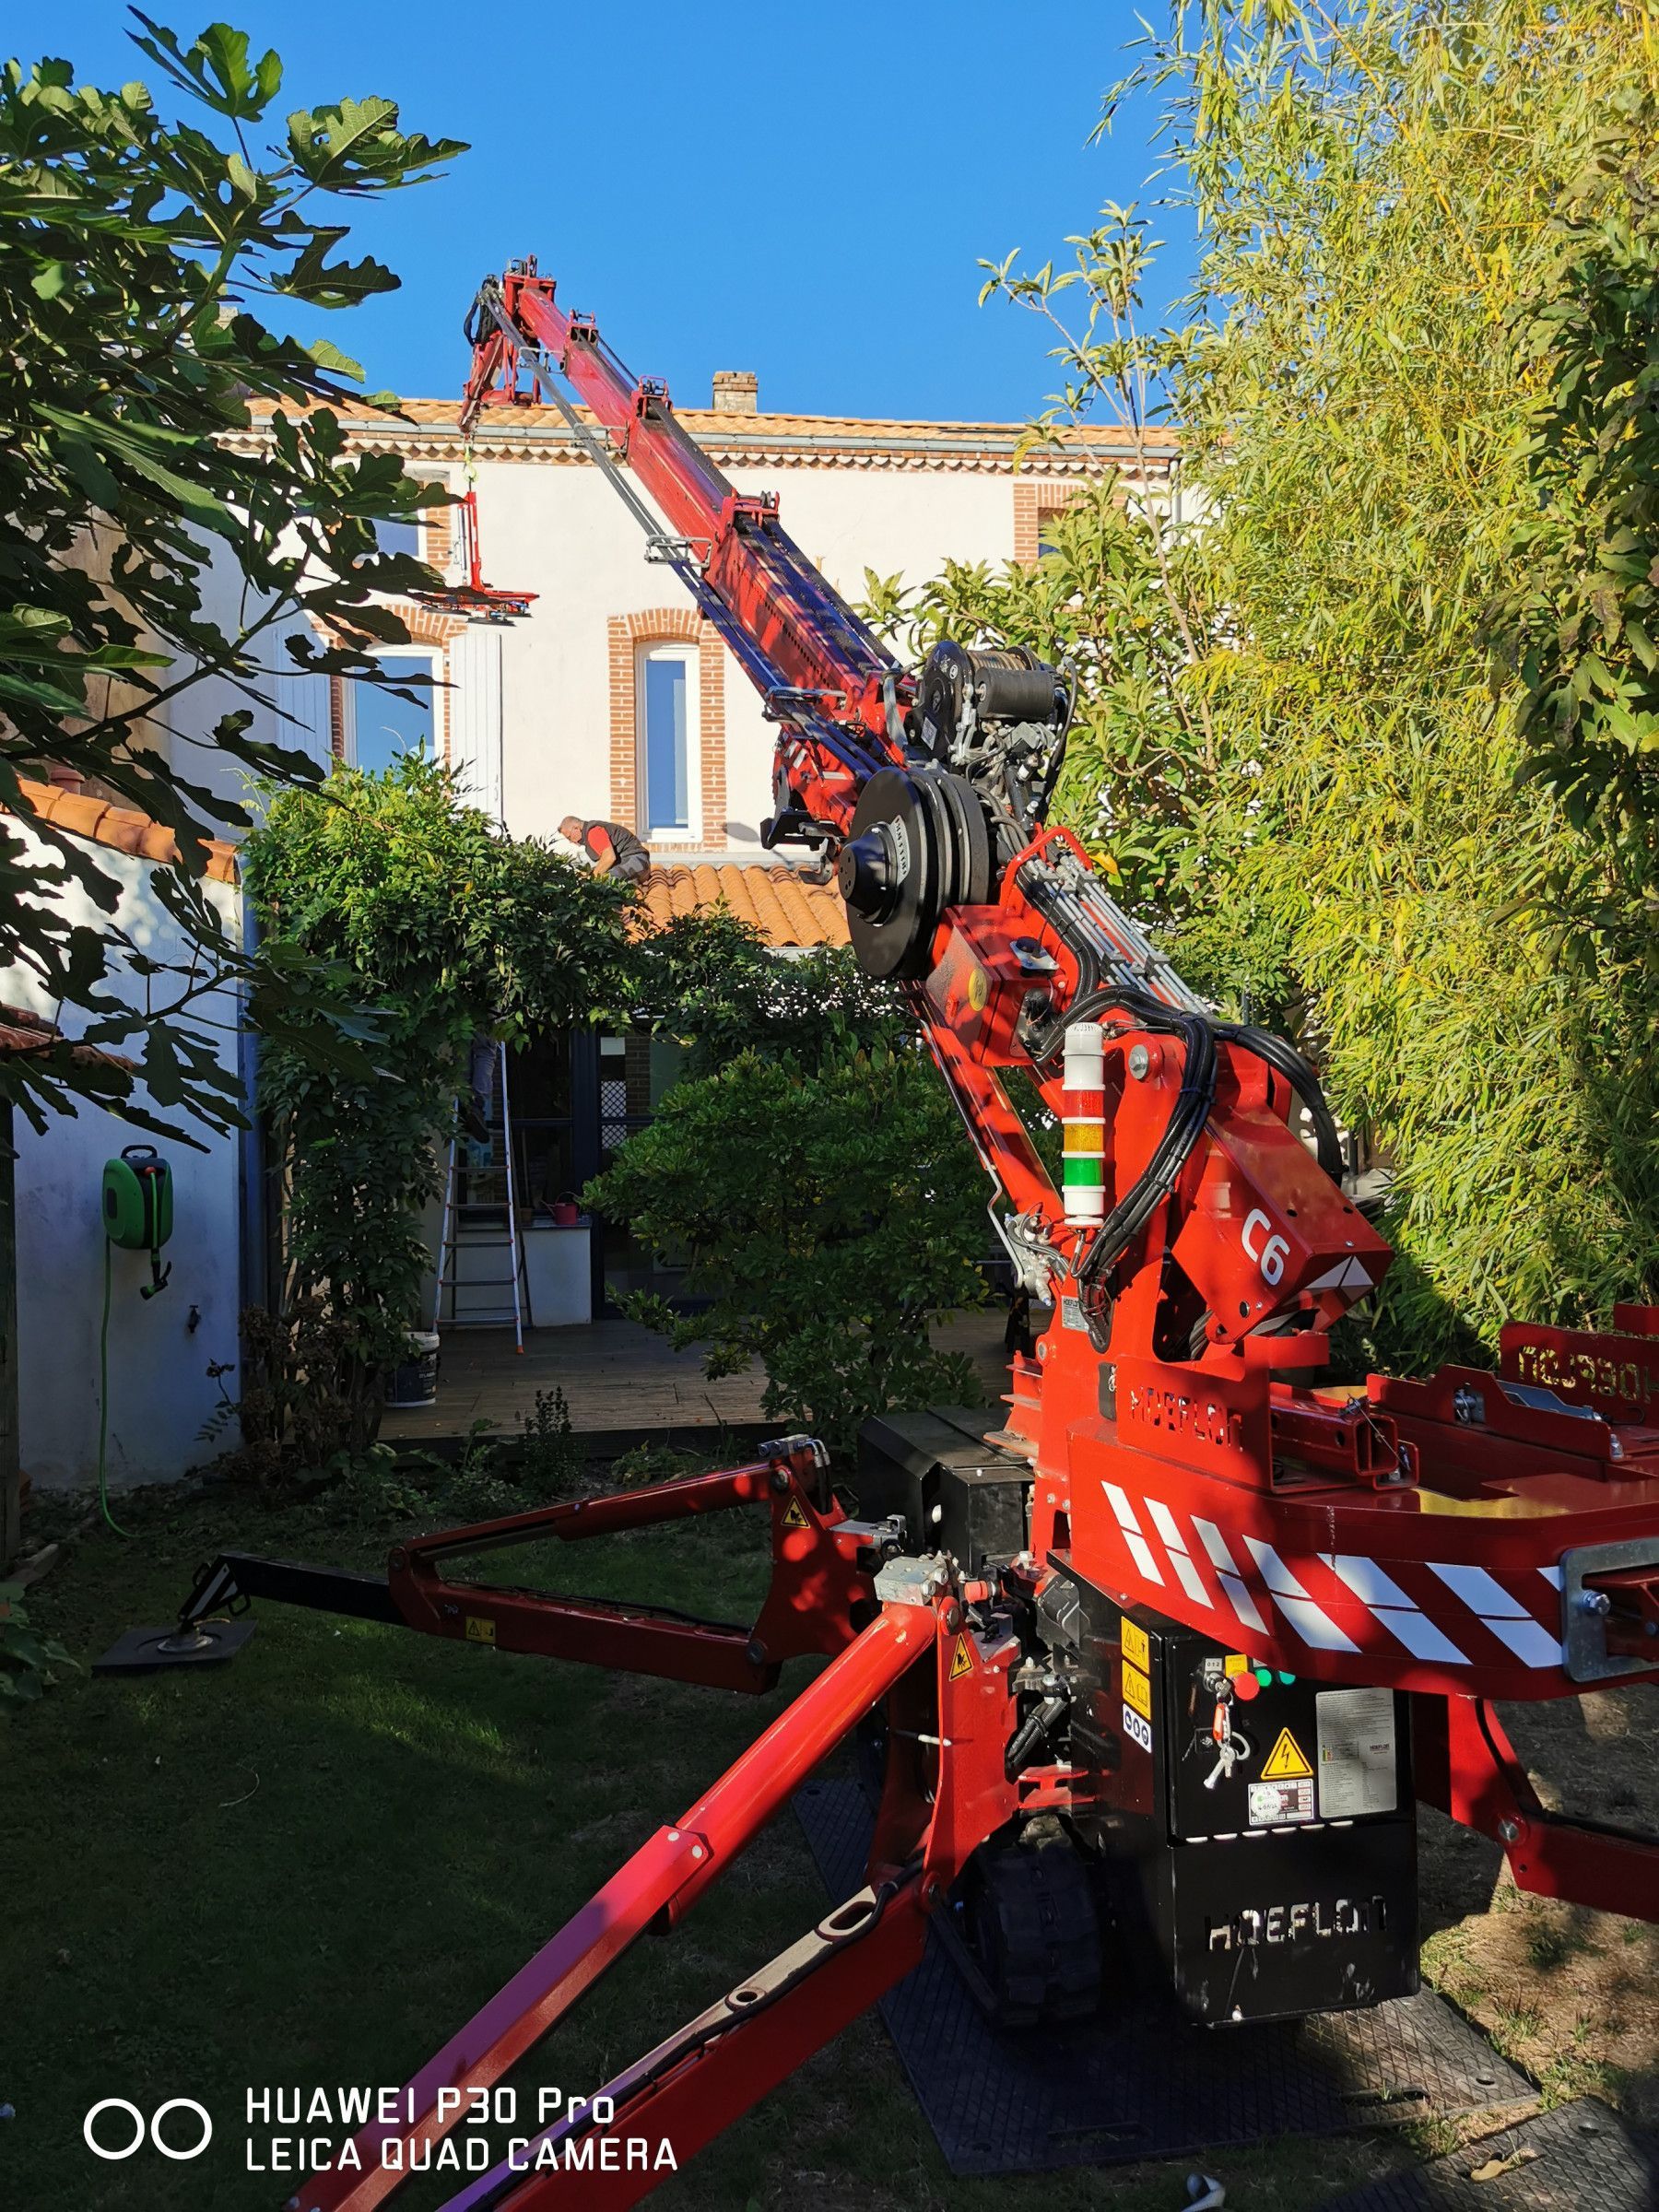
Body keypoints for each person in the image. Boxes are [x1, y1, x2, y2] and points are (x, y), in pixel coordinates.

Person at [559, 814, 652, 884]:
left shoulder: (593, 832)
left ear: (576, 828)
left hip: (637, 861)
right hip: (637, 864)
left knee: (603, 881)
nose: (571, 841)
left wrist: (592, 879)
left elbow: (609, 858)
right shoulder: (591, 832)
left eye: (569, 837)